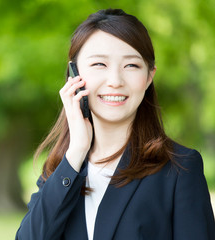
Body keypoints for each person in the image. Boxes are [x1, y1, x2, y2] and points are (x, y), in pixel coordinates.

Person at [15, 8, 215, 240]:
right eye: (99, 64)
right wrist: (77, 151)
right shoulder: (63, 168)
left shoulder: (179, 169)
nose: (115, 81)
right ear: (74, 75)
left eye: (131, 66)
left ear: (149, 76)